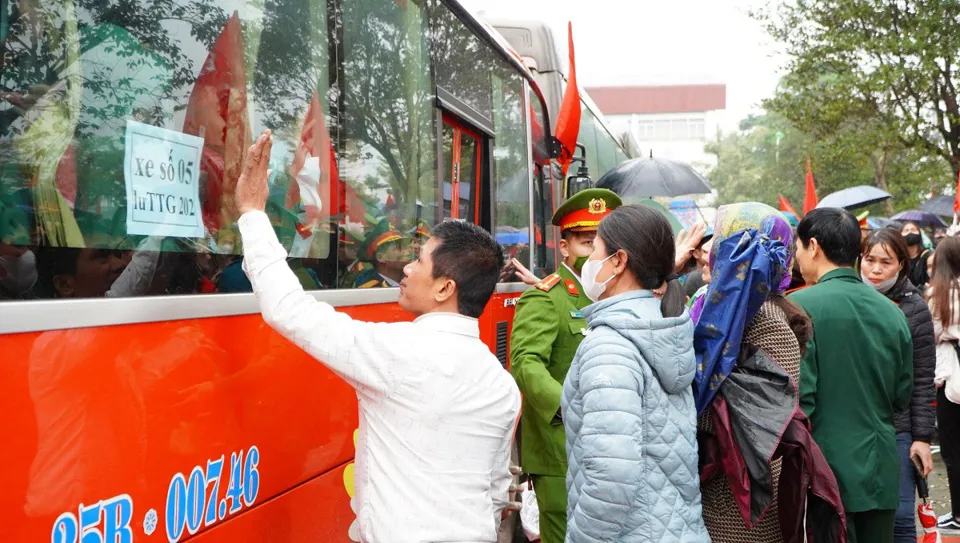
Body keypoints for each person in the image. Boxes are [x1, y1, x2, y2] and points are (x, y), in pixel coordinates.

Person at [235, 130, 521, 542]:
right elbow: (495, 490)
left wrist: (251, 212)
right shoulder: (502, 385)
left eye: (418, 261)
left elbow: (289, 309)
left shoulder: (399, 354)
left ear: (445, 288)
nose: (406, 268)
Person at [694, 203, 846, 542]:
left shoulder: (767, 321)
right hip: (722, 484)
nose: (708, 254)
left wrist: (685, 408)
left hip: (744, 497)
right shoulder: (720, 310)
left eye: (721, 244)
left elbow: (764, 417)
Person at [561, 205, 709, 543]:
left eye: (595, 249)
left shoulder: (609, 347)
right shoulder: (663, 323)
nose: (588, 261)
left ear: (619, 261)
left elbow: (611, 476)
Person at [789, 208, 913, 543]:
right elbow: (902, 395)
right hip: (880, 467)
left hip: (826, 471)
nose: (796, 256)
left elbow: (801, 401)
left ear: (814, 246)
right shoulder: (892, 312)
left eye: (798, 247)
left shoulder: (799, 307)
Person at [508, 187, 621, 543]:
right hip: (562, 450)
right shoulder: (546, 297)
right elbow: (526, 363)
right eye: (587, 242)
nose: (596, 252)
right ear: (565, 247)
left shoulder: (618, 297)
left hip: (612, 448)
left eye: (603, 243)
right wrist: (569, 407)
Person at [860, 229, 936, 542]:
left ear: (902, 264)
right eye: (870, 260)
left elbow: (922, 377)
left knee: (902, 516)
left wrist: (922, 437)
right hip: (856, 424)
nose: (876, 270)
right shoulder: (850, 299)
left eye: (886, 262)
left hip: (899, 427)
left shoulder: (914, 307)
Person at [928, 236, 960, 532]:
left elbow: (932, 333)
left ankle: (958, 514)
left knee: (952, 450)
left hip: (951, 379)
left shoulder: (939, 294)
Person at [353, 218, 408, 288]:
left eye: (405, 247)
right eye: (398, 248)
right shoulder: (369, 287)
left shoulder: (410, 278)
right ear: (380, 257)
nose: (407, 252)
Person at [903, 221, 933, 290]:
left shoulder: (928, 256)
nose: (910, 232)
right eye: (906, 230)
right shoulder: (898, 258)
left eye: (913, 230)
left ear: (919, 233)